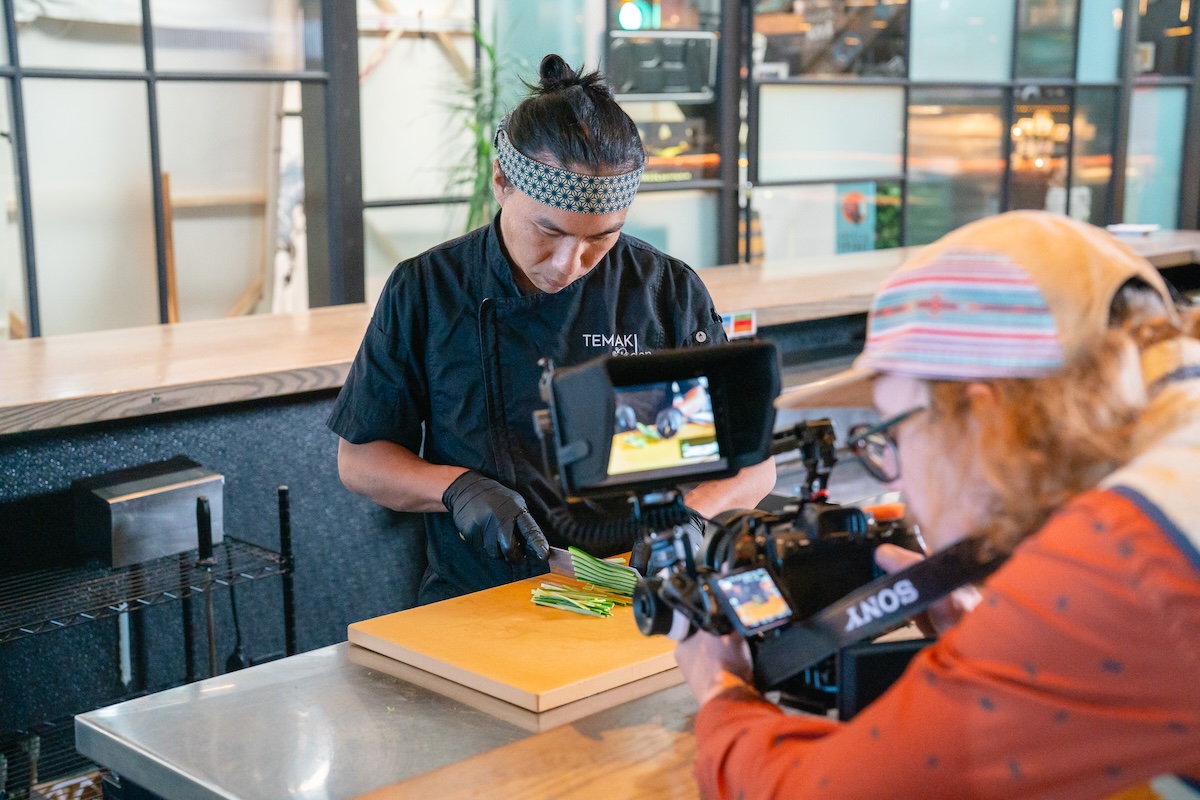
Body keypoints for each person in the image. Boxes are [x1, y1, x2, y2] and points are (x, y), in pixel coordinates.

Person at [674, 210, 1200, 799]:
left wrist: (722, 694)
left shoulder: (1117, 557)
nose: (895, 473)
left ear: (984, 417)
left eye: (895, 435)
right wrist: (1003, 658)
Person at [328, 54, 775, 604]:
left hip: (633, 597)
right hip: (476, 600)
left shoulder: (664, 291)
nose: (568, 264)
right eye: (549, 230)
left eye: (600, 239)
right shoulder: (427, 288)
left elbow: (754, 465)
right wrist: (455, 488)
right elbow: (361, 460)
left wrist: (691, 517)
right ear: (501, 182)